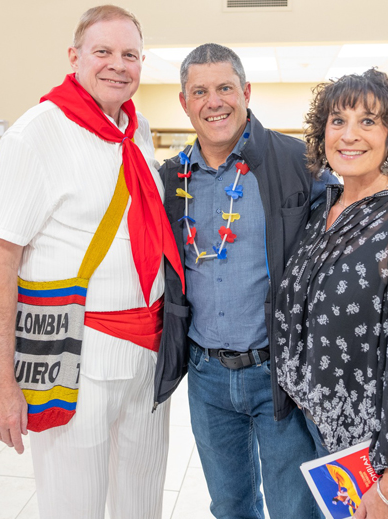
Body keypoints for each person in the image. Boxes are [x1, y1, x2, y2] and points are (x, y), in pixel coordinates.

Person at [0, 6, 183, 519]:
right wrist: (2, 386)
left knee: (142, 502)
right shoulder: (34, 135)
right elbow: (1, 266)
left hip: (147, 354)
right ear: (74, 58)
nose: (118, 65)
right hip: (75, 355)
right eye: (103, 52)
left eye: (130, 55)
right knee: (76, 506)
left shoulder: (133, 131)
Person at [155, 43, 337, 519]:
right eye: (200, 91)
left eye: (224, 88)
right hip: (207, 376)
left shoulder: (298, 161)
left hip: (276, 371)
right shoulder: (173, 176)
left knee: (295, 508)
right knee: (230, 506)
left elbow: (351, 222)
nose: (213, 101)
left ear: (246, 92)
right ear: (184, 102)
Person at [274, 69, 388, 518]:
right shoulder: (326, 211)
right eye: (337, 121)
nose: (349, 135)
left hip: (371, 457)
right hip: (311, 432)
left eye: (368, 121)